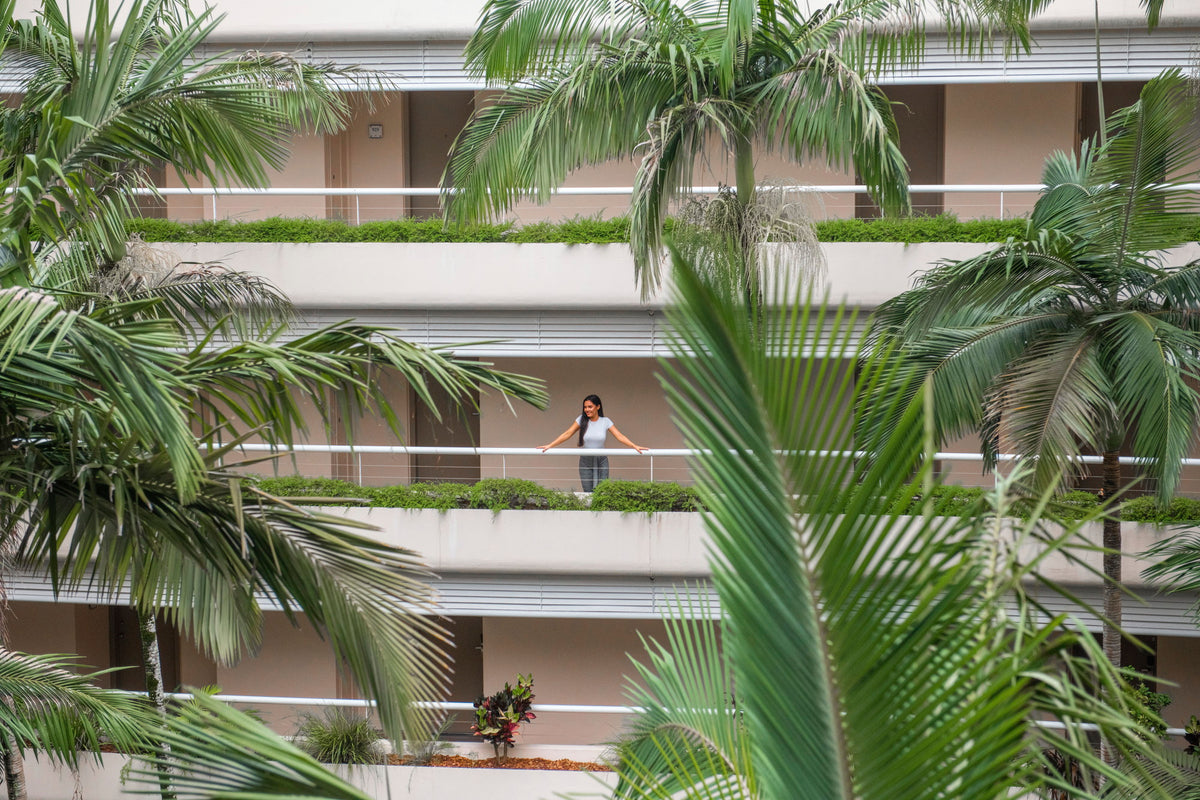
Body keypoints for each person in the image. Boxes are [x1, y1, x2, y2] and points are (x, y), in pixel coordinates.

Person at [538, 394, 647, 491]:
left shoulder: (605, 421)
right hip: (585, 461)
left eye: (590, 407)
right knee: (588, 491)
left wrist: (634, 446)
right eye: (585, 407)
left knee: (602, 491)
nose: (587, 409)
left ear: (598, 407)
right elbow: (567, 433)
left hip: (601, 460)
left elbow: (620, 436)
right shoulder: (581, 419)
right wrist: (550, 445)